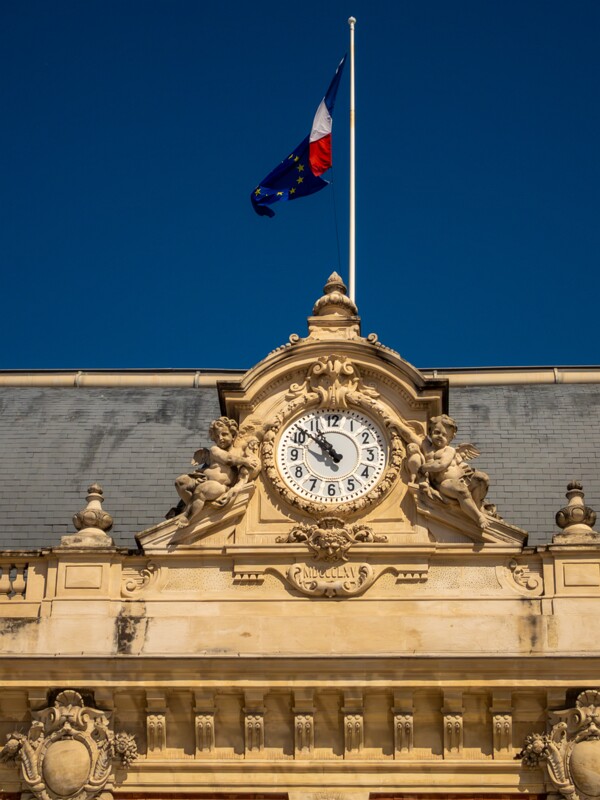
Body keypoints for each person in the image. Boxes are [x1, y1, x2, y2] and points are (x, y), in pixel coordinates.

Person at [397, 414, 489, 529]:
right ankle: (478, 517)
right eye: (437, 432)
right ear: (430, 433)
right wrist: (396, 423)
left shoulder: (449, 450)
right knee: (460, 490)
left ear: (450, 438)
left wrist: (424, 467)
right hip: (444, 483)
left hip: (461, 477)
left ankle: (476, 506)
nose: (440, 436)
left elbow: (441, 464)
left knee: (482, 478)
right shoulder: (426, 446)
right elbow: (409, 435)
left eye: (445, 435)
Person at [173, 417, 258, 528]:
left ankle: (188, 516)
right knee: (180, 482)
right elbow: (228, 460)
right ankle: (194, 506)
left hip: (220, 486)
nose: (220, 438)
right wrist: (245, 461)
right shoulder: (215, 450)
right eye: (217, 436)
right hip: (204, 478)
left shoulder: (239, 452)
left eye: (224, 434)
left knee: (201, 490)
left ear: (233, 434)